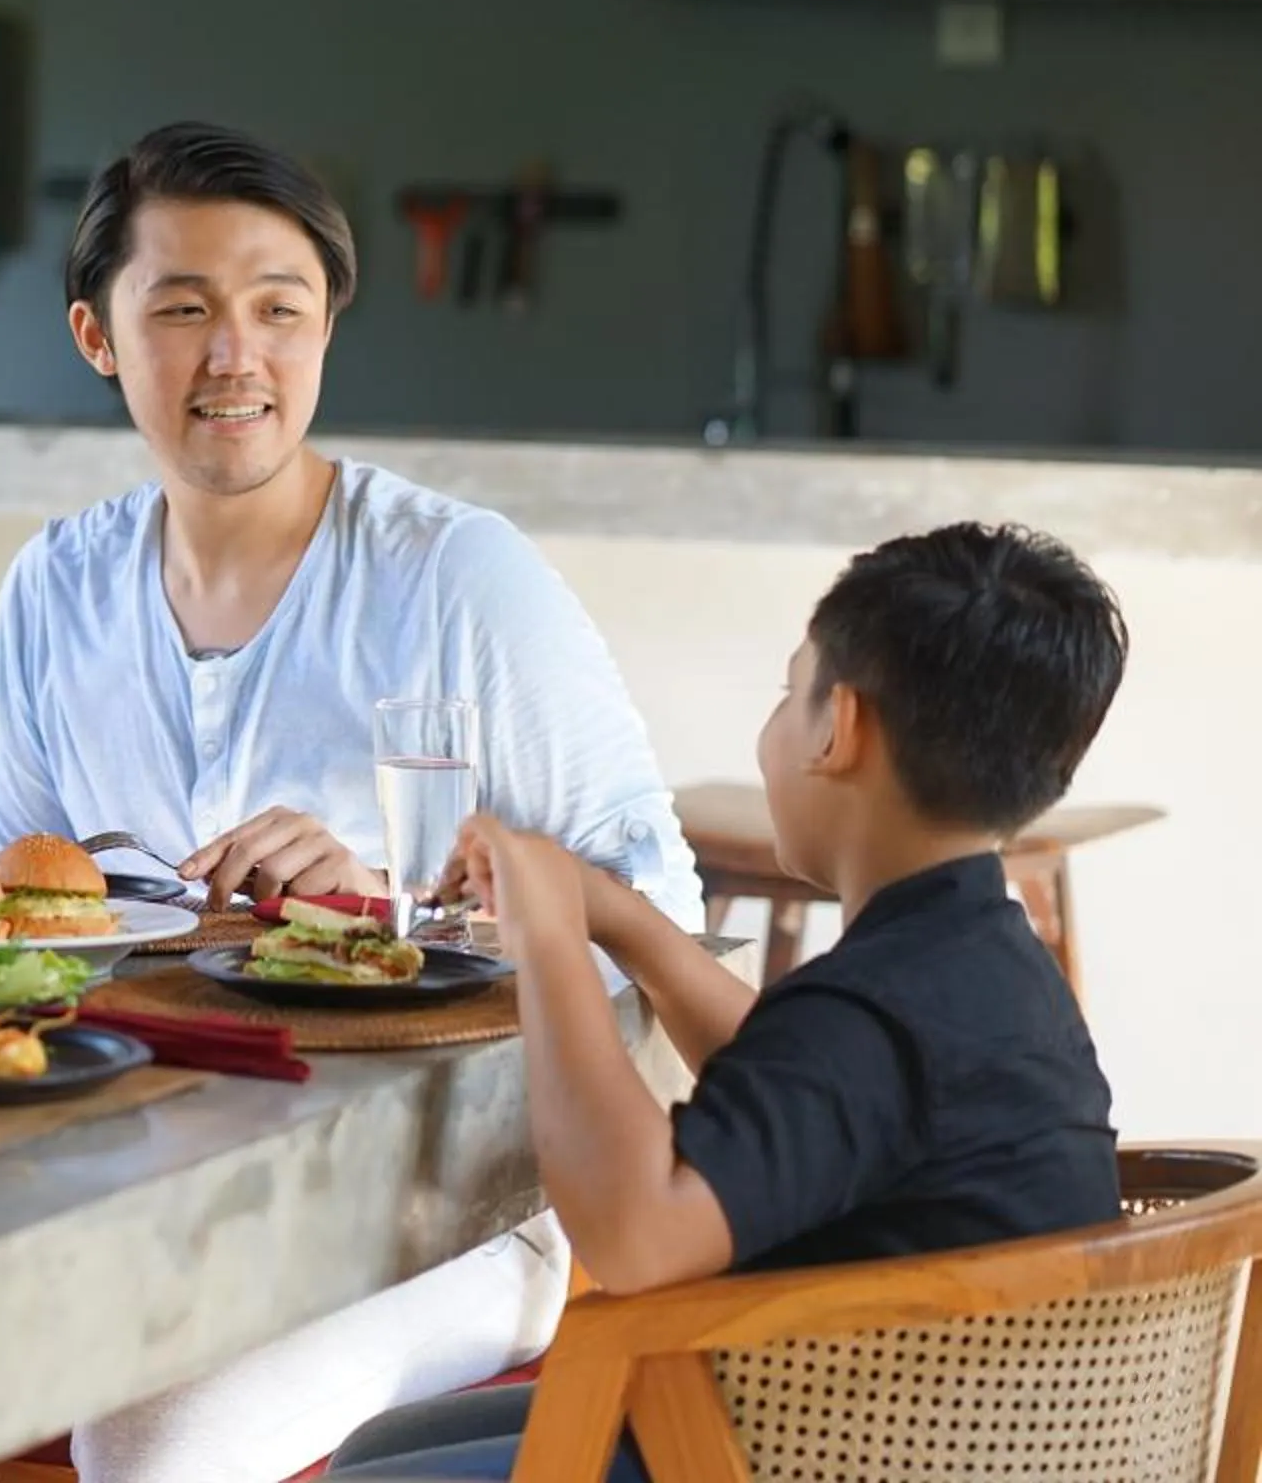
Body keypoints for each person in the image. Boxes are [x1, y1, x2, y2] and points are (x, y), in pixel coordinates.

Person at [0, 121, 703, 1482]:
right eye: (183, 309)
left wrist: (390, 912)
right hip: (126, 1187)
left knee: (151, 1447)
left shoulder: (458, 579)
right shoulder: (56, 588)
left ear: (326, 328)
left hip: (447, 1210)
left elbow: (659, 912)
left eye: (278, 310)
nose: (236, 355)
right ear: (97, 336)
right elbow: (12, 943)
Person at [324, 523, 1126, 1480]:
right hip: (940, 1435)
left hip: (811, 1452)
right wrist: (613, 916)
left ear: (838, 729)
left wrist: (549, 943)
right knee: (379, 1448)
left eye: (790, 693)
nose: (778, 723)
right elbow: (807, 1092)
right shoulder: (983, 964)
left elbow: (635, 1233)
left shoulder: (870, 1013)